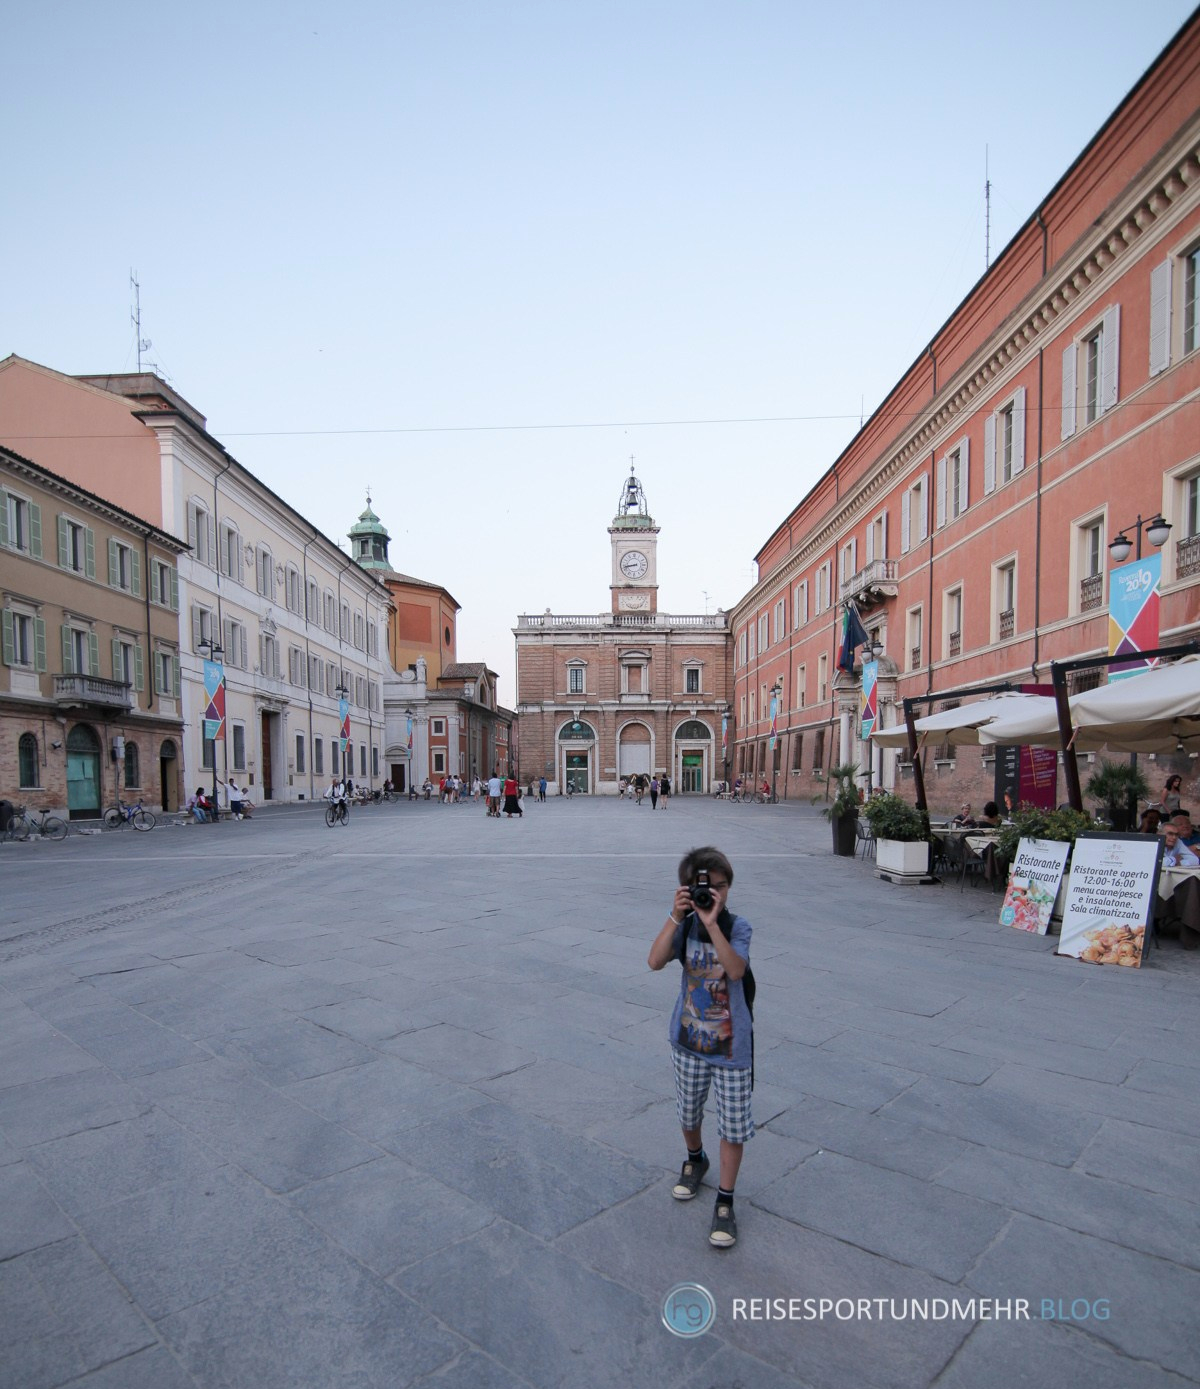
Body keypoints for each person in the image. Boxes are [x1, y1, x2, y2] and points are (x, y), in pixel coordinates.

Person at [647, 846, 754, 1250]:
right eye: (704, 889)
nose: (714, 895)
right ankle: (695, 1158)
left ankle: (725, 1200)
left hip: (731, 1048)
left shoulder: (738, 926)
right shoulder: (684, 925)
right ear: (689, 889)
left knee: (732, 1125)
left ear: (728, 887)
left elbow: (736, 969)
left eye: (720, 887)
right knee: (688, 1112)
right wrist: (677, 915)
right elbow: (654, 961)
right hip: (688, 1041)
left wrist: (712, 924)